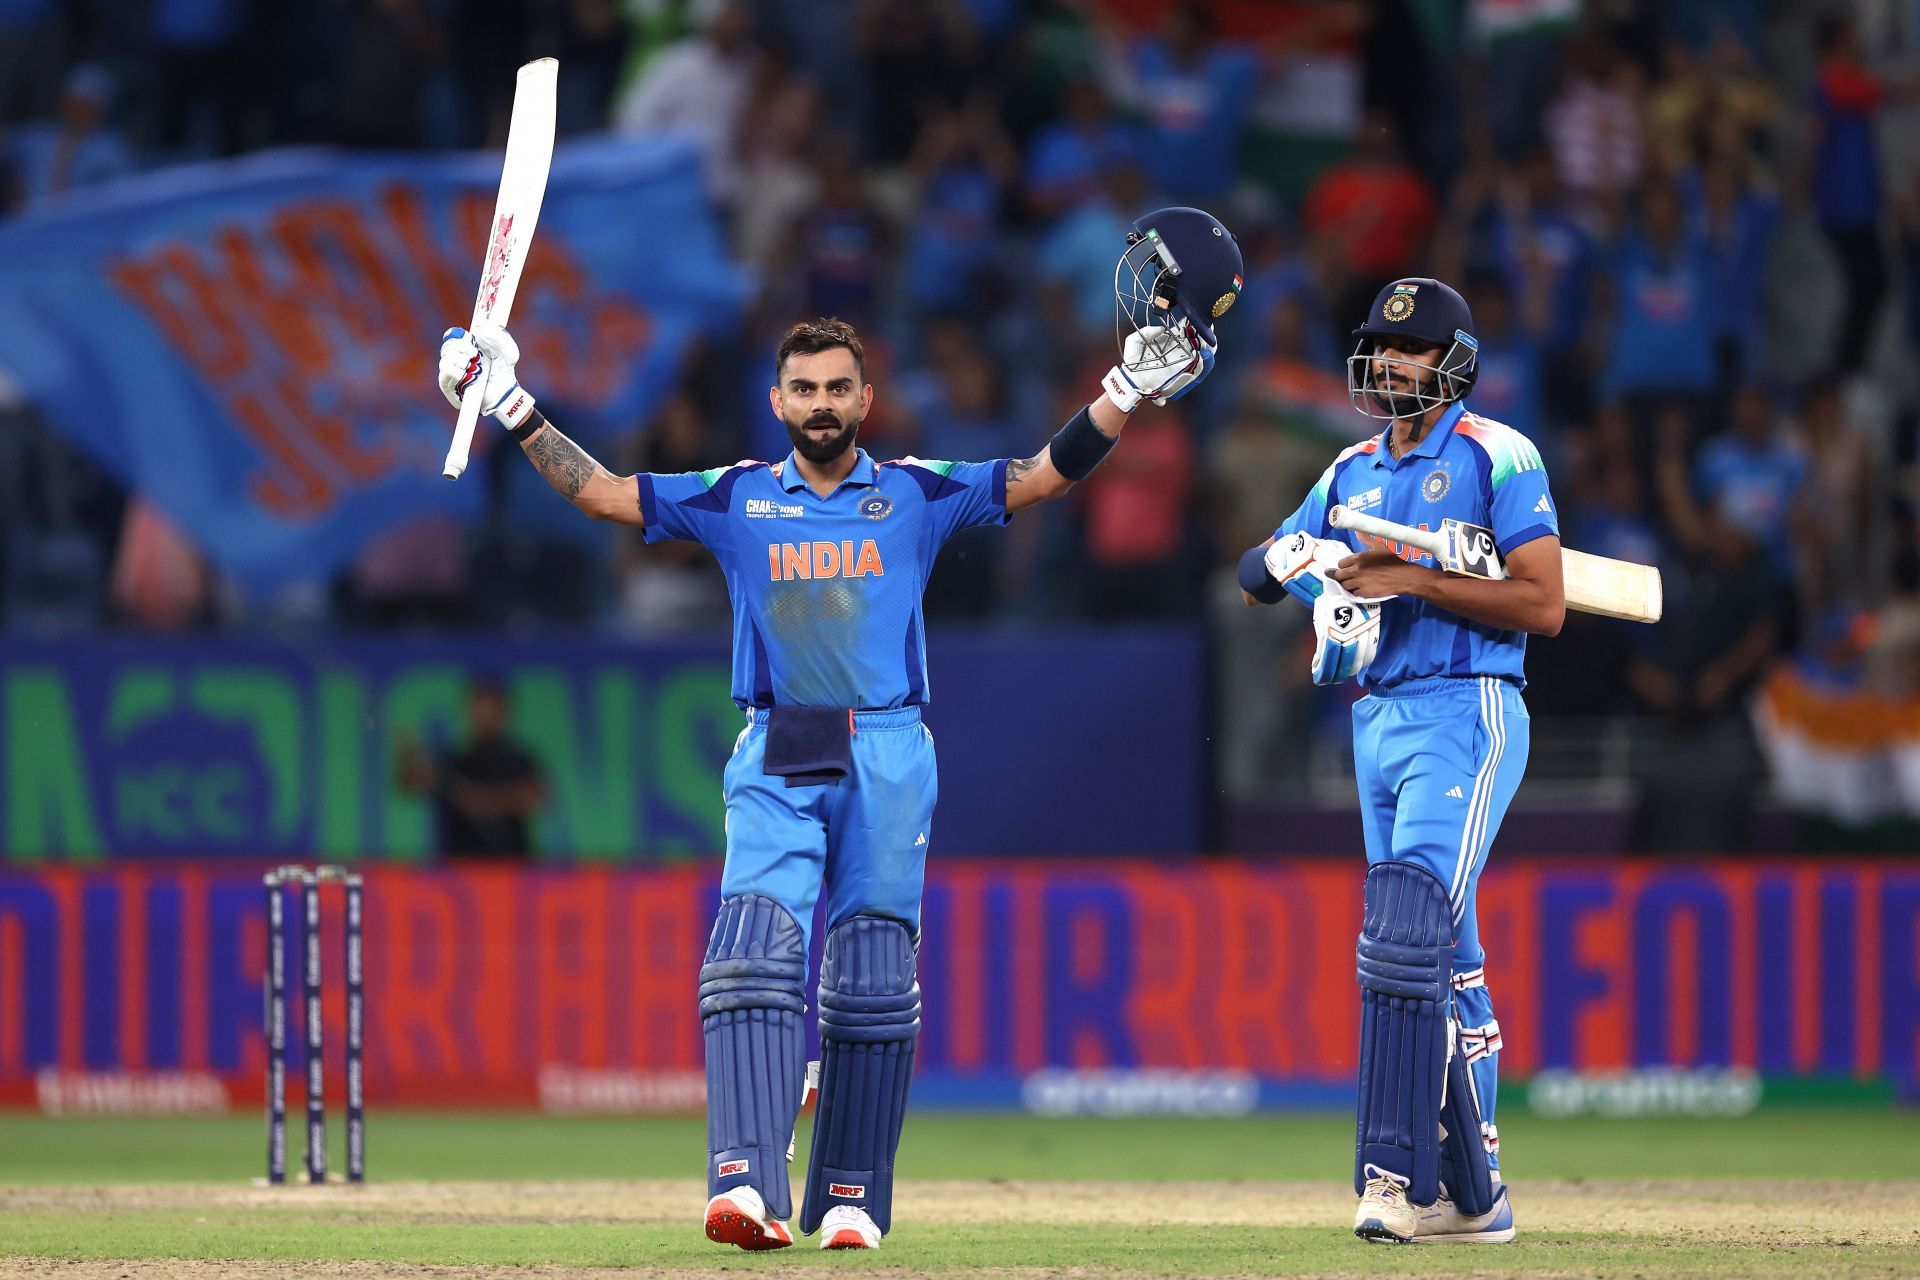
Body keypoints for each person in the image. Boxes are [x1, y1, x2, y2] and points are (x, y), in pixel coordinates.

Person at [432, 207, 1239, 1251]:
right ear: (777, 401)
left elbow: (1042, 473)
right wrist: (509, 401)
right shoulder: (735, 496)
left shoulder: (914, 493)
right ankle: (744, 1183)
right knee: (752, 956)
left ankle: (850, 1195)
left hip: (890, 745)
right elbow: (604, 495)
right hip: (785, 738)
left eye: (837, 388)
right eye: (804, 389)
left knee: (871, 980)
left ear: (866, 398)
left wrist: (1122, 390)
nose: (821, 404)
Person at [1238, 277, 1565, 1244]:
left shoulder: (1499, 454)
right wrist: (1302, 570)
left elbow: (1544, 604)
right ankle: (1476, 1194)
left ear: (1452, 361)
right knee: (1444, 957)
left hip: (1467, 705)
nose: (1386, 361)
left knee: (1407, 934)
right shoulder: (1349, 470)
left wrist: (1416, 578)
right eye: (1378, 344)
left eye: (1408, 348)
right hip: (1375, 717)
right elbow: (1256, 573)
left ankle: (1396, 1176)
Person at [396, 677, 546, 860]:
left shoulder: (521, 761)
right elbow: (410, 784)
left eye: (494, 707)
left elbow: (535, 799)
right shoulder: (454, 761)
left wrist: (467, 795)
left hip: (512, 869)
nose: (487, 716)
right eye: (481, 707)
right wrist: (411, 758)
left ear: (505, 710)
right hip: (461, 870)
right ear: (469, 709)